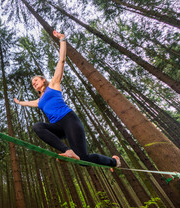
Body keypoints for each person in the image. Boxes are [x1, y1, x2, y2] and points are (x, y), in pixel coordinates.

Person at [14, 30, 121, 168]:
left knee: (83, 160)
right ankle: (68, 151)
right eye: (32, 83)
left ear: (43, 80)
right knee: (38, 126)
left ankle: (114, 161)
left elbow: (61, 61)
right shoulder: (39, 101)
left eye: (35, 80)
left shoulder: (53, 84)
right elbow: (28, 103)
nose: (34, 83)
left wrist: (62, 40)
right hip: (57, 127)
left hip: (69, 120)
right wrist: (19, 102)